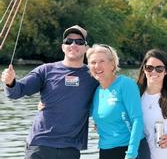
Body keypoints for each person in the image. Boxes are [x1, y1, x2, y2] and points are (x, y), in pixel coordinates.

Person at [1, 25, 99, 159]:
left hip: (70, 149)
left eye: (79, 42)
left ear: (86, 48)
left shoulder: (94, 76)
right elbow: (16, 91)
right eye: (69, 41)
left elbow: (110, 97)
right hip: (40, 145)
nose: (73, 45)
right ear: (63, 47)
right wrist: (10, 81)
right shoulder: (45, 70)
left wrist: (101, 122)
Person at [86, 44, 146, 159]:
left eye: (102, 61)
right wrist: (48, 105)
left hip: (129, 150)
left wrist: (131, 153)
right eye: (93, 62)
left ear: (112, 64)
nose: (97, 66)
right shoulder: (96, 92)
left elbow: (137, 120)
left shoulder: (126, 84)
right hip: (105, 151)